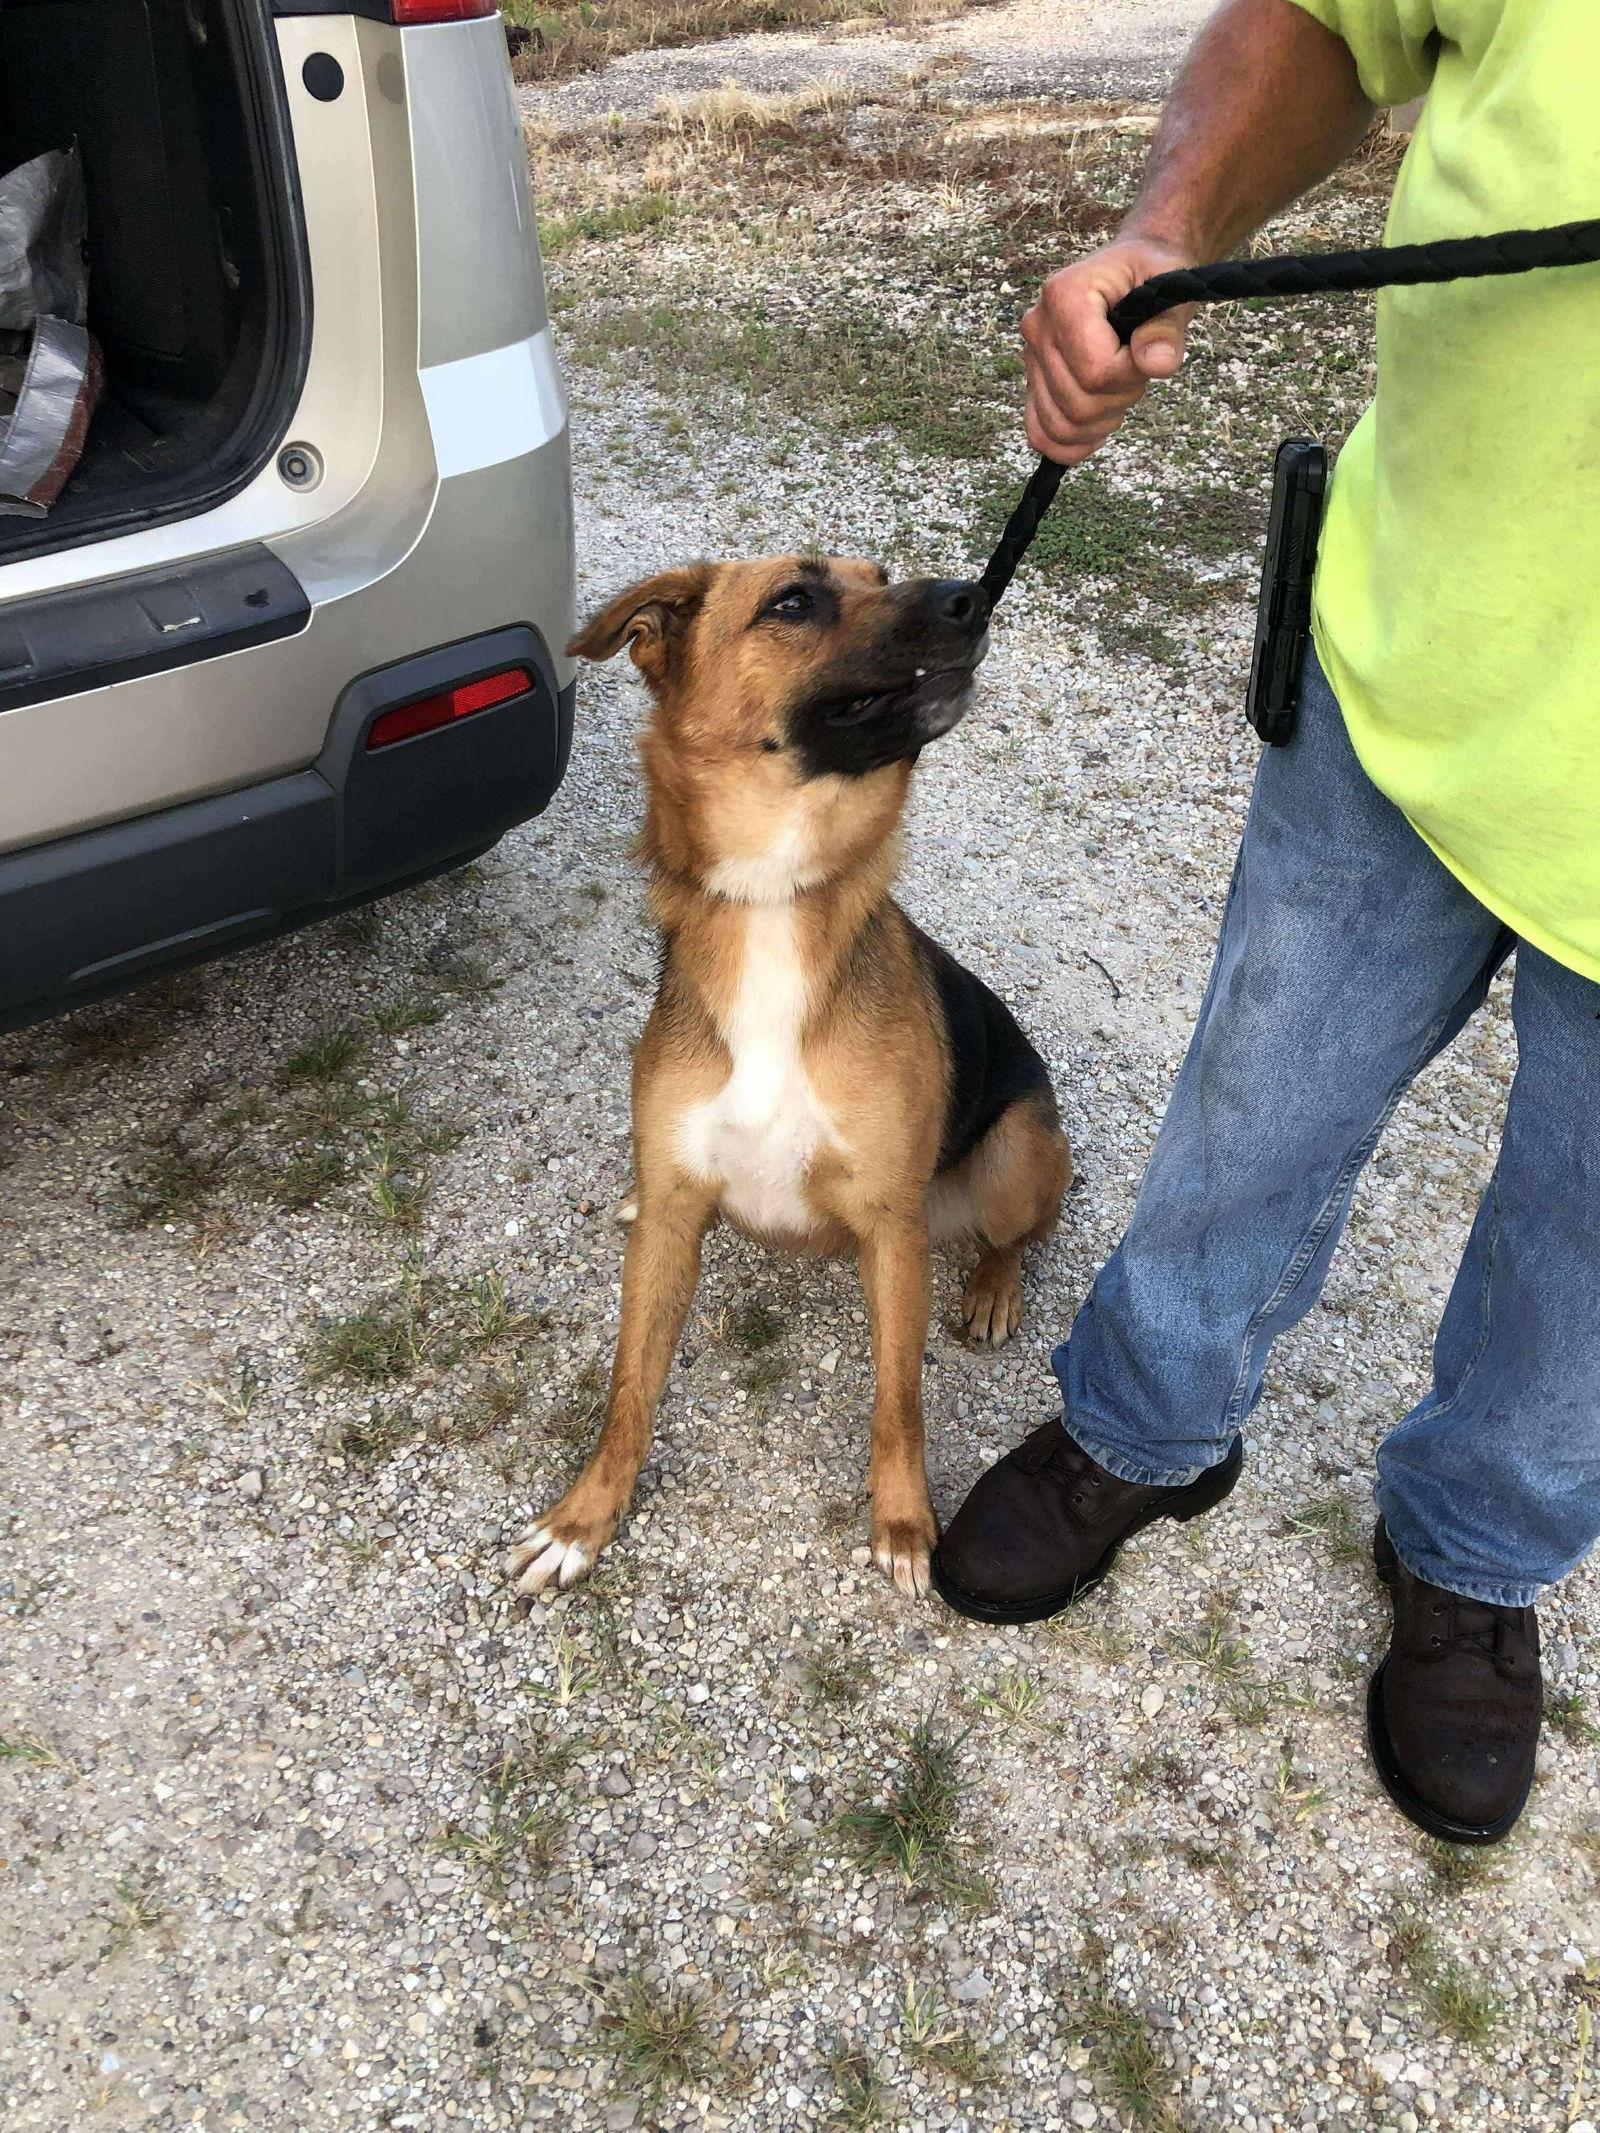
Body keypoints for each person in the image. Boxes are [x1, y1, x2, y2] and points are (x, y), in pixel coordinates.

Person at [930, 0, 1600, 1846]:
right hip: (1409, 672)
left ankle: (1475, 1551)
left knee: (1589, 1253)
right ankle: (1145, 1423)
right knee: (1255, 1098)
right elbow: (1323, 14)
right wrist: (1163, 235)